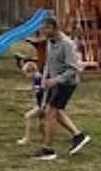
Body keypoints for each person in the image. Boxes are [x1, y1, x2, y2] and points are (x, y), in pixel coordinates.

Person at [34, 18, 91, 160]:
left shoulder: (67, 44)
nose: (44, 31)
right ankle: (78, 136)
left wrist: (55, 80)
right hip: (54, 83)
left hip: (67, 83)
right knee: (56, 112)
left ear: (55, 28)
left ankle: (48, 150)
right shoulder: (49, 42)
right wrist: (43, 80)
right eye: (43, 28)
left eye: (47, 28)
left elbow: (73, 69)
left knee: (50, 113)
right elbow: (48, 63)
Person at [16, 56, 46, 146]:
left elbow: (44, 91)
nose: (25, 76)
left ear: (31, 71)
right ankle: (46, 139)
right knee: (41, 125)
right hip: (41, 104)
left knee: (28, 116)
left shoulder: (39, 79)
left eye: (26, 73)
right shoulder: (36, 78)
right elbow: (34, 89)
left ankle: (27, 139)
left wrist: (43, 105)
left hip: (44, 105)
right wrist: (23, 90)